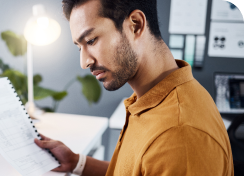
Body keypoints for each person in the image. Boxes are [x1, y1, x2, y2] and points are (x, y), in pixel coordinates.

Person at [34, 0, 234, 175]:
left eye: (91, 40)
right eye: (80, 47)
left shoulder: (180, 136)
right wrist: (77, 163)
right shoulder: (153, 98)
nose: (84, 62)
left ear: (135, 25)